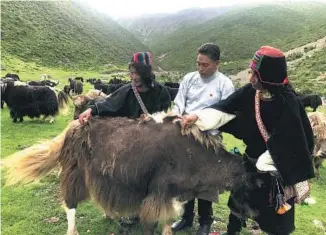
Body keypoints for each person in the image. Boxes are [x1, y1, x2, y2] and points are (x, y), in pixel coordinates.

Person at [180, 46, 315, 235]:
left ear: (268, 77)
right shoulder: (252, 92)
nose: (251, 78)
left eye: (255, 75)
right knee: (238, 206)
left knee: (275, 219)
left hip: (275, 172)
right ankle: (231, 232)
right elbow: (225, 107)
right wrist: (197, 117)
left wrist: (267, 161)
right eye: (251, 72)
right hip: (250, 163)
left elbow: (292, 142)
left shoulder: (288, 103)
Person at [171, 43, 235, 235]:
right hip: (186, 136)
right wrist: (176, 116)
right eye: (198, 63)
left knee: (207, 182)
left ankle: (205, 222)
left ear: (217, 63)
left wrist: (203, 120)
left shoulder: (225, 84)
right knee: (185, 179)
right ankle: (186, 217)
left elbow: (227, 111)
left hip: (210, 140)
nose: (200, 68)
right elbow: (179, 102)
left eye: (205, 65)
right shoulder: (189, 79)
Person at [79, 52, 171, 124]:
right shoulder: (126, 91)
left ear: (146, 74)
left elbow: (162, 122)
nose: (133, 77)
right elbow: (110, 103)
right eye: (131, 72)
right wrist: (91, 110)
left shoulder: (161, 93)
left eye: (138, 73)